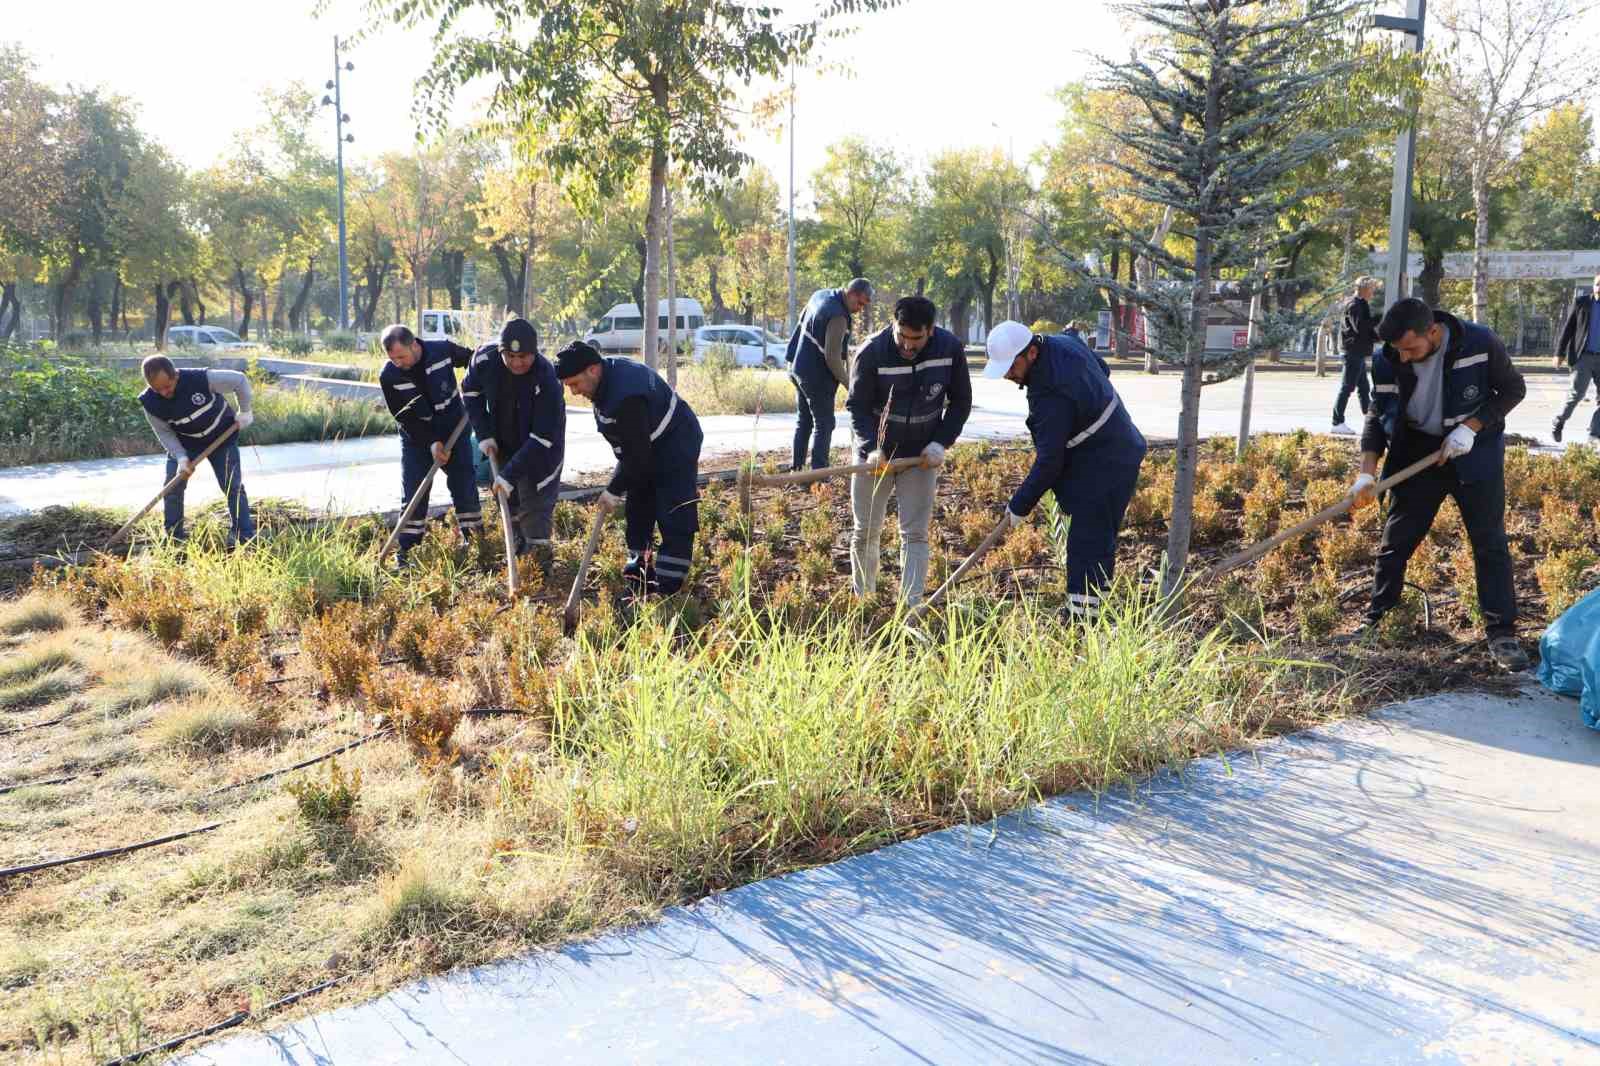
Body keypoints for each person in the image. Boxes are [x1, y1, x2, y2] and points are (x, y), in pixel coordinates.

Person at [1347, 297, 1529, 670]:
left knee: (1489, 543)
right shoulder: (1387, 359)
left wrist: (1470, 427)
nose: (1405, 357)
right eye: (1398, 350)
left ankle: (1502, 634)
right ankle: (1376, 620)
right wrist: (1367, 471)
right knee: (1395, 542)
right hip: (1417, 454)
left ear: (1433, 331)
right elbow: (1377, 413)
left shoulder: (1479, 343)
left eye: (1412, 348)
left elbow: (1512, 390)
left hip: (1472, 451)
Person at [983, 321, 1147, 621]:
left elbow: (1049, 461)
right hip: (1113, 448)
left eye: (1011, 366)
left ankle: (1083, 622)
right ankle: (1094, 607)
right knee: (1096, 539)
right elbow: (1102, 369)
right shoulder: (1063, 342)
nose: (1007, 374)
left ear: (1031, 352)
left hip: (1106, 462)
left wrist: (1019, 506)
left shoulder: (1049, 393)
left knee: (1087, 543)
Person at [846, 295, 972, 605]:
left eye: (916, 339)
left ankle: (912, 606)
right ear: (894, 324)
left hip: (921, 457)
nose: (907, 345)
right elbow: (857, 407)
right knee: (866, 531)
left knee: (915, 534)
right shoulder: (872, 351)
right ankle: (866, 602)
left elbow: (960, 403)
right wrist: (871, 448)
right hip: (876, 456)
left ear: (931, 330)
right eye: (902, 335)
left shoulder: (949, 350)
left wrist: (940, 442)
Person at [555, 341, 704, 596]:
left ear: (592, 370)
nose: (574, 392)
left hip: (676, 444)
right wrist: (619, 485)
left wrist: (613, 489)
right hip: (646, 447)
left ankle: (668, 592)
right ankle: (640, 581)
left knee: (674, 512)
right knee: (638, 509)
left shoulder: (626, 396)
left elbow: (636, 455)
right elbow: (633, 455)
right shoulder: (605, 382)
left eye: (575, 384)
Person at [460, 318, 565, 569]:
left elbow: (542, 437)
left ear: (535, 352)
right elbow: (470, 393)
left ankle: (540, 566)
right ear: (500, 351)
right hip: (504, 441)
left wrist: (509, 474)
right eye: (510, 356)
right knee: (507, 499)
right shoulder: (484, 360)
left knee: (535, 503)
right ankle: (518, 554)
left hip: (542, 448)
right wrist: (484, 434)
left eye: (524, 356)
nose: (517, 363)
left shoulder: (547, 377)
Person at [378, 323, 482, 562]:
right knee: (415, 489)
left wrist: (477, 387)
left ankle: (476, 542)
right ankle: (407, 550)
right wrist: (431, 442)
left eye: (401, 356)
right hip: (417, 438)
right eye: (392, 358)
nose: (398, 363)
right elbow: (403, 416)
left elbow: (474, 361)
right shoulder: (389, 375)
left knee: (464, 483)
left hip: (454, 429)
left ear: (414, 344)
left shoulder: (442, 351)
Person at [138, 354, 257, 544]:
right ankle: (174, 539)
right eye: (157, 389)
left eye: (167, 386)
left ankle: (243, 535)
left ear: (175, 375)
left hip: (221, 437)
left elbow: (239, 380)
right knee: (173, 488)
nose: (163, 393)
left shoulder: (200, 379)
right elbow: (165, 433)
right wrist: (181, 458)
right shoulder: (150, 402)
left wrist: (245, 410)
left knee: (232, 486)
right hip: (186, 443)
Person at [786, 278, 873, 471]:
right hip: (815, 376)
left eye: (864, 305)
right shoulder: (838, 317)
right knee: (825, 424)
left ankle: (797, 470)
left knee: (804, 420)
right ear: (850, 293)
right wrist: (850, 385)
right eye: (859, 303)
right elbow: (832, 358)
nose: (860, 309)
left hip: (797, 367)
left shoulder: (820, 294)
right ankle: (819, 476)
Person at [1551, 274, 1600, 443]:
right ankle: (1560, 421)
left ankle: (1594, 432)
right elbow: (1568, 329)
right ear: (1593, 286)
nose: (1599, 288)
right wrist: (1559, 353)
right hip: (1583, 357)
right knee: (1577, 394)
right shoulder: (1582, 303)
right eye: (1598, 284)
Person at [1332, 277, 1378, 435]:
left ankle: (1370, 418)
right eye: (1372, 288)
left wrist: (1377, 336)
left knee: (1364, 388)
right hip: (1352, 352)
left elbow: (1365, 329)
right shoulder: (1354, 305)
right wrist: (1378, 320)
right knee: (1347, 387)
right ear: (1364, 289)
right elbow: (1361, 328)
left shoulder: (1360, 304)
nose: (1373, 292)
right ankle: (1337, 422)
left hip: (1357, 352)